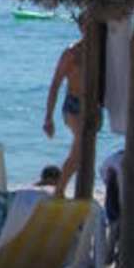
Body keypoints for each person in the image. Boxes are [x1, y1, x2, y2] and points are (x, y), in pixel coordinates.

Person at [44, 19, 91, 194]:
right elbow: (55, 84)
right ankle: (59, 191)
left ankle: (75, 192)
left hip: (92, 106)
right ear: (81, 27)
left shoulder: (101, 51)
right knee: (79, 148)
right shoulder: (72, 53)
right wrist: (49, 117)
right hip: (74, 104)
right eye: (86, 25)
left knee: (84, 153)